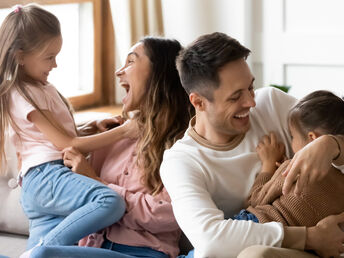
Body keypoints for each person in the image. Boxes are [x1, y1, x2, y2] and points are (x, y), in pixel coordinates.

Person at [160, 32, 344, 258]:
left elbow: (334, 127)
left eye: (250, 87)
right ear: (198, 102)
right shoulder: (181, 162)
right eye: (235, 96)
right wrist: (309, 237)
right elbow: (210, 241)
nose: (251, 102)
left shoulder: (272, 104)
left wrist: (334, 144)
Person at [27, 36, 194, 258]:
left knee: (42, 255)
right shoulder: (110, 136)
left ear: (160, 74)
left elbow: (166, 213)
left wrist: (98, 184)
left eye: (131, 62)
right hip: (90, 248)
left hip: (143, 253)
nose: (119, 71)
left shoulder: (183, 142)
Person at [0, 4, 140, 256]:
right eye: (49, 56)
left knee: (51, 251)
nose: (55, 64)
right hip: (47, 177)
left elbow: (57, 136)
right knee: (110, 201)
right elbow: (67, 144)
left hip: (44, 183)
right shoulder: (20, 94)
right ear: (20, 56)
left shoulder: (40, 87)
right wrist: (125, 131)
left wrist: (92, 127)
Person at [233, 90, 344, 228]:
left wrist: (268, 165)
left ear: (312, 138)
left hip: (258, 224)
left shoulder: (292, 169)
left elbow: (254, 201)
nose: (291, 142)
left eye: (292, 136)